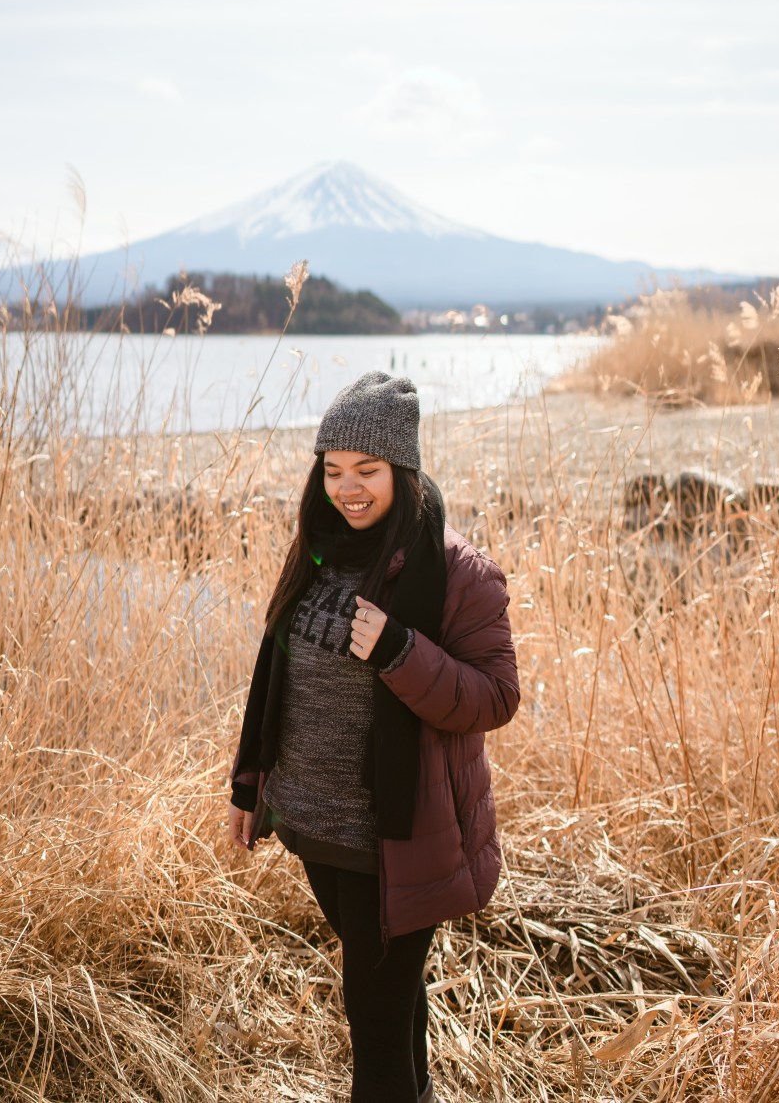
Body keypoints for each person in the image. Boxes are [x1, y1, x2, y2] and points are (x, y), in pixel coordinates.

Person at [227, 371, 519, 1103]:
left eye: (367, 472)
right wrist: (249, 780)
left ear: (403, 471)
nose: (348, 489)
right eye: (333, 471)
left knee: (376, 1030)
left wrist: (399, 652)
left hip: (393, 842)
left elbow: (496, 695)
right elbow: (276, 670)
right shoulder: (320, 549)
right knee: (393, 1000)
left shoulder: (457, 572)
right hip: (313, 826)